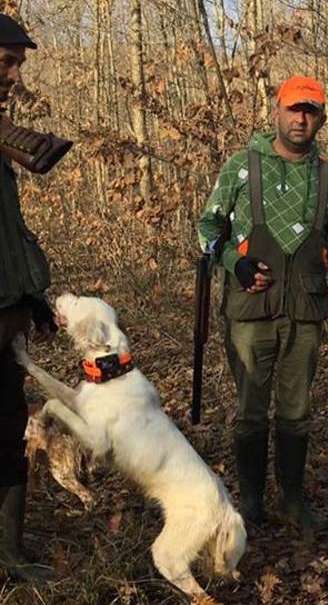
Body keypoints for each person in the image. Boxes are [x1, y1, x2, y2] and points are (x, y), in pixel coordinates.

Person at [196, 75, 328, 536]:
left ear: (322, 118)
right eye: (293, 109)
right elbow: (207, 227)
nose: (301, 118)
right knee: (250, 410)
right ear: (277, 111)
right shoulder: (241, 166)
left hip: (306, 312)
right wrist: (234, 262)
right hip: (250, 312)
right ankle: (250, 502)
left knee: (297, 412)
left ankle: (292, 500)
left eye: (310, 111)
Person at [0, 13, 57, 582]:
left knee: (9, 431)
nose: (14, 76)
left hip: (6, 314)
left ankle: (11, 555)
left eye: (17, 65)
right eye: (6, 63)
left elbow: (8, 231)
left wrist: (32, 295)